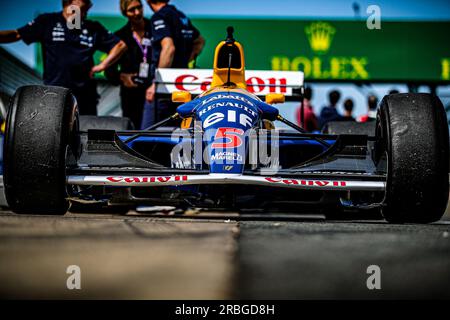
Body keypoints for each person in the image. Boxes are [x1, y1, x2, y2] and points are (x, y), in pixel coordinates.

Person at [0, 0, 127, 115]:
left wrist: (102, 65)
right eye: (84, 5)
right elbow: (16, 34)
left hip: (85, 96)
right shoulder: (47, 21)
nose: (88, 9)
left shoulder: (93, 28)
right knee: (53, 134)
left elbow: (120, 45)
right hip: (54, 94)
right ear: (71, 2)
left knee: (85, 133)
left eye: (88, 7)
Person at [142, 0, 205, 127]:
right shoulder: (181, 16)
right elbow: (200, 41)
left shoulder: (159, 17)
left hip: (163, 88)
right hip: (182, 87)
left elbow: (169, 48)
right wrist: (187, 61)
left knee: (146, 134)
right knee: (175, 134)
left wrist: (156, 82)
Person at [105, 0, 152, 129]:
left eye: (139, 7)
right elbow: (109, 70)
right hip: (131, 94)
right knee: (132, 129)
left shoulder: (157, 30)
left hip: (154, 90)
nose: (137, 12)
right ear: (125, 13)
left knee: (156, 130)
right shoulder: (120, 37)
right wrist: (122, 77)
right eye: (132, 10)